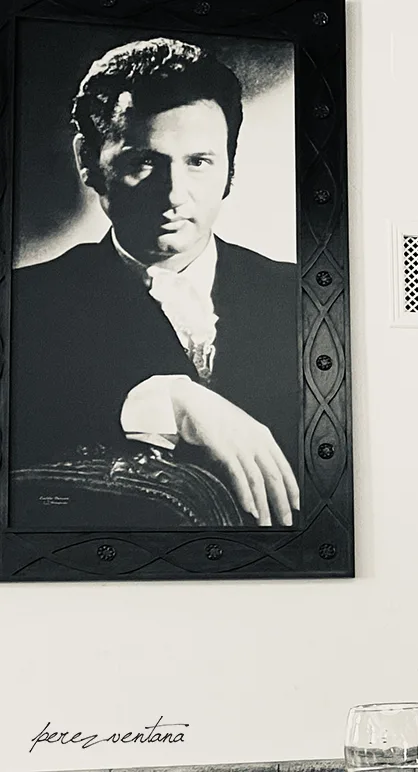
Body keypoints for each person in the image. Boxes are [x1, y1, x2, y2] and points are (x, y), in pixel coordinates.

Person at [9, 37, 300, 528]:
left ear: (230, 165)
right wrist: (166, 399)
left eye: (199, 162)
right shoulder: (23, 302)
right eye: (143, 161)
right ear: (88, 161)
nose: (174, 195)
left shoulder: (304, 296)